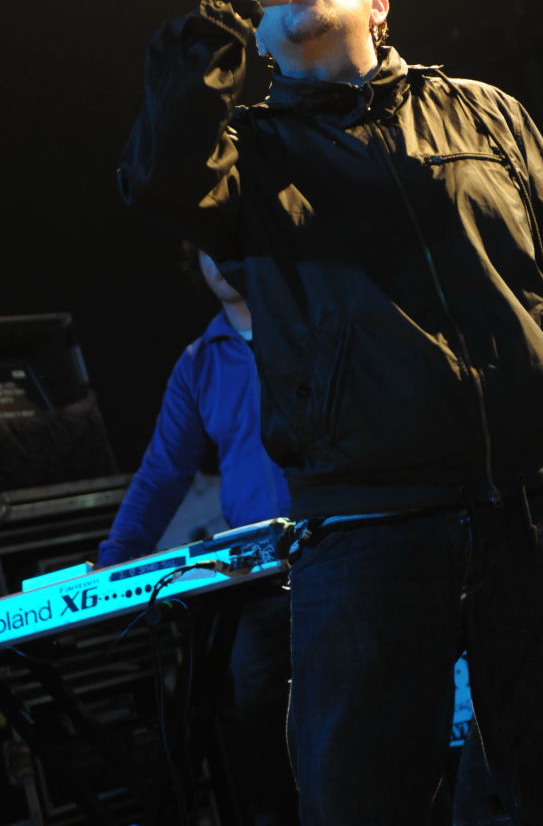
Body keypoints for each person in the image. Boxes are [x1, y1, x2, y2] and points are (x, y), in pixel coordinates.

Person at [118, 0, 543, 825]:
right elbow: (157, 176)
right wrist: (228, 4)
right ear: (257, 33)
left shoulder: (488, 112)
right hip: (367, 535)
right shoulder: (249, 155)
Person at [98, 250, 298, 826]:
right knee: (264, 731)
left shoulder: (311, 320)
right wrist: (113, 564)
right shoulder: (199, 360)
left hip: (342, 554)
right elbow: (163, 472)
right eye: (205, 248)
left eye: (227, 240)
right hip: (259, 580)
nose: (219, 258)